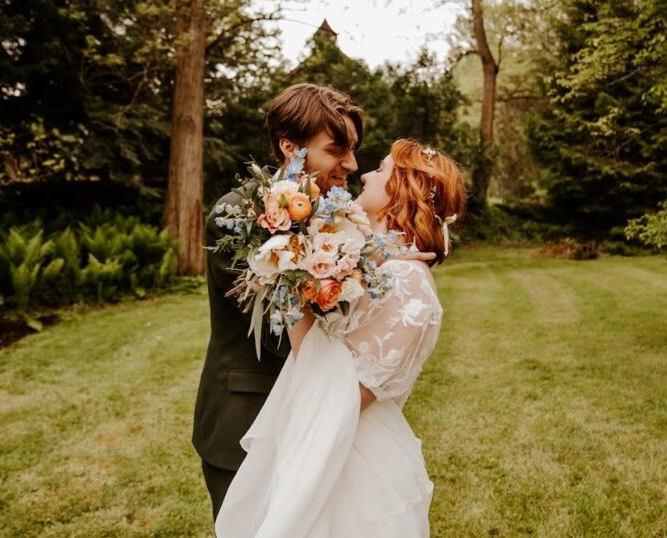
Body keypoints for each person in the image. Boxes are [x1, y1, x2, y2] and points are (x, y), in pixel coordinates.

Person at [215, 138, 466, 537]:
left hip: (352, 468)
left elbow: (341, 392)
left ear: (403, 190)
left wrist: (290, 276)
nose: (364, 175)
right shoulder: (384, 268)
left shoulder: (408, 283)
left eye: (380, 170)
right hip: (329, 442)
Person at [193, 83, 365, 520]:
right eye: (337, 150)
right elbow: (277, 327)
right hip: (248, 418)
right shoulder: (238, 214)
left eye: (353, 150)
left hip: (317, 420)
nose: (351, 164)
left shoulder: (339, 215)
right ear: (290, 147)